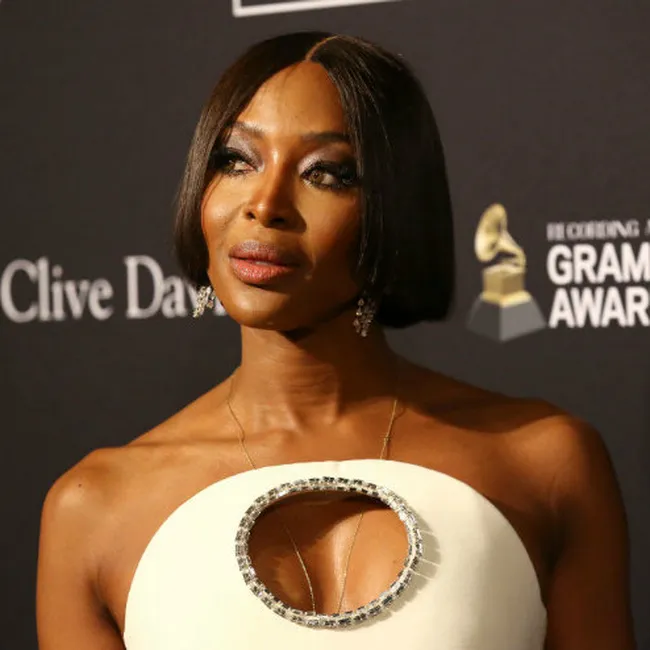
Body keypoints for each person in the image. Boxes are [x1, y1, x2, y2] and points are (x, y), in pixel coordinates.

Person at [36, 32, 635, 650]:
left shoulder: (545, 463)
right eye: (237, 161)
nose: (265, 204)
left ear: (394, 207)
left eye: (326, 173)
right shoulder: (95, 506)